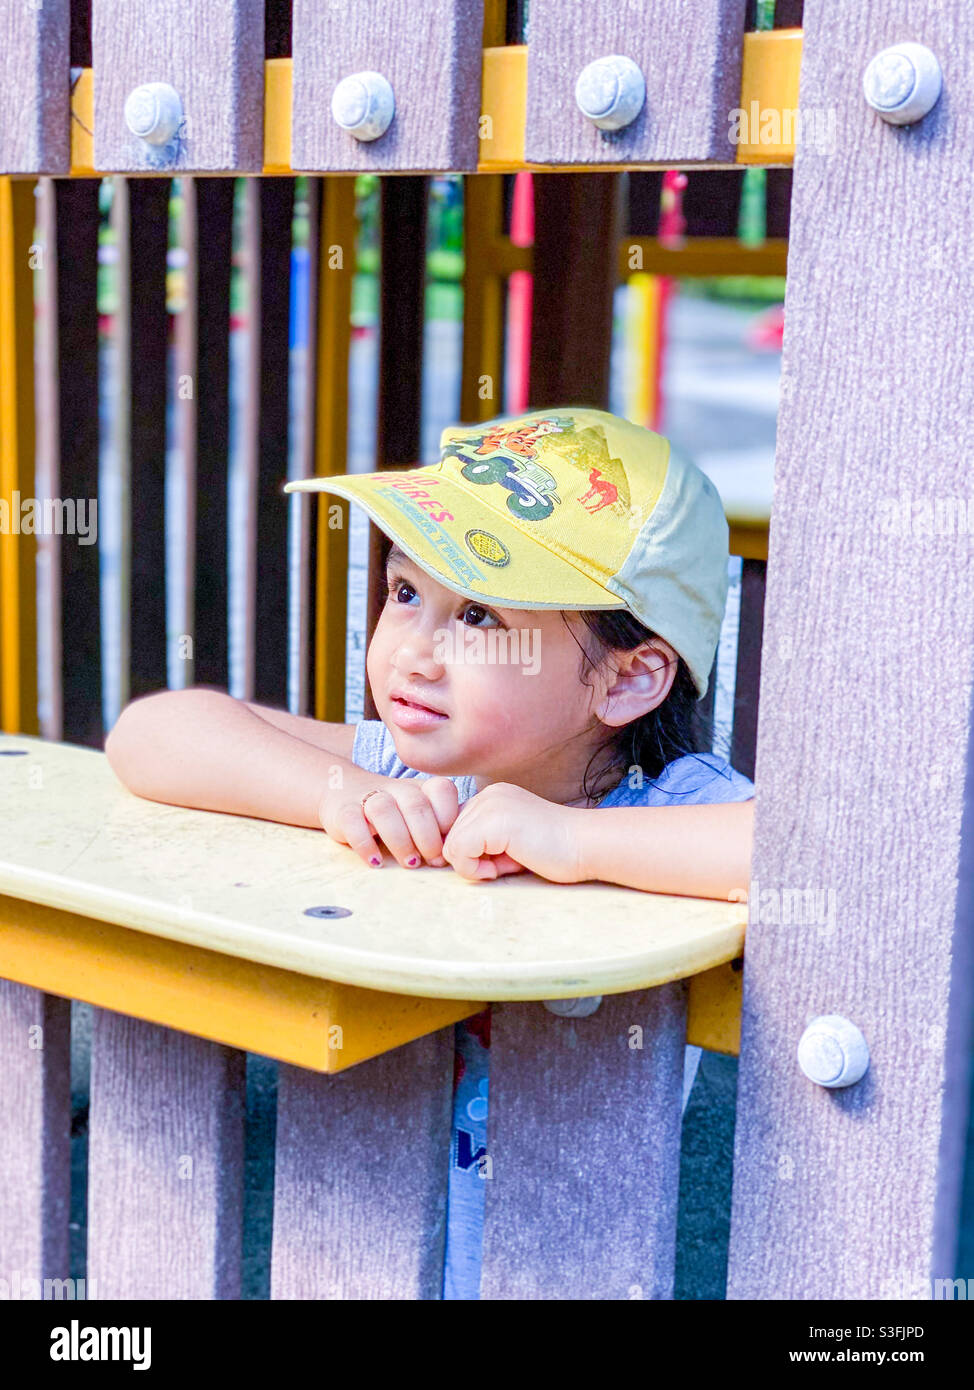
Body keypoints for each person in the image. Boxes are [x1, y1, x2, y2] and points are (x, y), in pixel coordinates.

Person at [105, 405, 756, 1299]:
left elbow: (796, 859)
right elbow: (152, 732)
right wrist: (339, 795)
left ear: (626, 678)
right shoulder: (394, 767)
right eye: (407, 593)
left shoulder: (670, 801)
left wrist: (575, 839)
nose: (412, 651)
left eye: (481, 616)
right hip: (361, 1234)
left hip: (571, 1251)